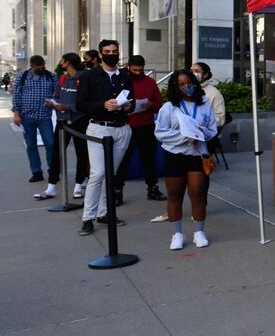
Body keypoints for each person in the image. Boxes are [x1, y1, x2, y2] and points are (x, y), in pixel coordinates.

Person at [75, 40, 135, 237]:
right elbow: (81, 104)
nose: (111, 54)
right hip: (99, 129)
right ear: (100, 54)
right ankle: (88, 217)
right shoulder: (89, 76)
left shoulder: (125, 77)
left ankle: (104, 213)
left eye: (115, 51)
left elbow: (132, 102)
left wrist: (127, 106)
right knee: (98, 173)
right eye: (107, 51)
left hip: (122, 128)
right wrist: (103, 105)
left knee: (111, 174)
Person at [154, 70, 218, 250]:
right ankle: (177, 234)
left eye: (189, 83)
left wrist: (200, 132)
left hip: (197, 155)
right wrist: (184, 136)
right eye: (181, 84)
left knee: (197, 193)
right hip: (175, 155)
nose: (186, 87)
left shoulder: (204, 105)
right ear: (176, 87)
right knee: (175, 195)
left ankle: (199, 232)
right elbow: (160, 132)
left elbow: (212, 130)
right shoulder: (169, 107)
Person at [113, 55, 165, 205]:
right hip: (126, 124)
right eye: (134, 70)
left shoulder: (149, 82)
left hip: (146, 124)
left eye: (140, 70)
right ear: (129, 67)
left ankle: (152, 188)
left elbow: (159, 102)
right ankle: (117, 190)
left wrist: (151, 105)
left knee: (149, 158)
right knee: (123, 159)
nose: (137, 72)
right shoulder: (121, 80)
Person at [46, 53, 90, 200]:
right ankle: (51, 186)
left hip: (79, 121)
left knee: (81, 153)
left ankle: (79, 186)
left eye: (62, 60)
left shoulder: (84, 78)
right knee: (57, 153)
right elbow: (57, 95)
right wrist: (54, 103)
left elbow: (85, 103)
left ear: (68, 62)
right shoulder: (63, 78)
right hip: (62, 120)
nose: (60, 62)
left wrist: (68, 107)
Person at [12, 55, 57, 186]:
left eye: (42, 65)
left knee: (50, 144)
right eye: (38, 66)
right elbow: (17, 95)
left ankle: (52, 171)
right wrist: (16, 114)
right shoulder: (23, 77)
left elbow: (58, 94)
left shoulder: (51, 76)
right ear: (31, 66)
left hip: (45, 117)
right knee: (31, 145)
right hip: (27, 117)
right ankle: (36, 172)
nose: (41, 68)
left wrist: (54, 103)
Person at [191, 62, 226, 128]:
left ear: (205, 74)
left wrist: (202, 122)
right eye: (191, 71)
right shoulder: (187, 89)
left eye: (196, 71)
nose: (192, 74)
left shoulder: (214, 93)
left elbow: (220, 119)